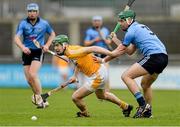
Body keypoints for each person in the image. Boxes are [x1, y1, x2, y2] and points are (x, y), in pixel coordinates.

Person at [98, 10, 168, 118]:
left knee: (126, 76)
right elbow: (130, 51)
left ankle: (142, 105)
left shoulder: (131, 32)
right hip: (163, 57)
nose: (120, 24)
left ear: (129, 20)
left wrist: (103, 60)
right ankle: (148, 112)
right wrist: (115, 39)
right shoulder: (139, 28)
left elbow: (118, 52)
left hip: (154, 56)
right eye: (119, 21)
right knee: (145, 84)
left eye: (122, 21)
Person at [51, 34, 133, 117]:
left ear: (64, 45)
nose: (55, 48)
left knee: (75, 97)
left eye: (57, 45)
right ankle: (125, 106)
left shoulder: (72, 52)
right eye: (54, 46)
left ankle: (85, 113)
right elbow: (77, 62)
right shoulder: (70, 50)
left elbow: (94, 48)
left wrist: (111, 54)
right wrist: (74, 75)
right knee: (102, 95)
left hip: (97, 75)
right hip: (101, 70)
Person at [14, 3, 56, 108]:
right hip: (26, 51)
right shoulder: (23, 24)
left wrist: (47, 45)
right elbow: (16, 38)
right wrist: (23, 47)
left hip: (38, 51)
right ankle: (41, 100)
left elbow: (52, 34)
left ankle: (41, 99)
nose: (32, 13)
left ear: (37, 12)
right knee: (29, 80)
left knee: (33, 74)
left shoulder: (44, 23)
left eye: (34, 11)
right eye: (30, 11)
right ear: (27, 12)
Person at [84, 15, 112, 91]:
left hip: (104, 54)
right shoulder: (89, 31)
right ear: (93, 22)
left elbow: (109, 42)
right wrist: (95, 40)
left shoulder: (105, 30)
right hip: (94, 54)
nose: (97, 22)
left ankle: (107, 91)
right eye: (95, 21)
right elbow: (86, 43)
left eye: (98, 21)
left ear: (101, 22)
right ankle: (95, 89)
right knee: (95, 73)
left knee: (106, 72)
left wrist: (104, 39)